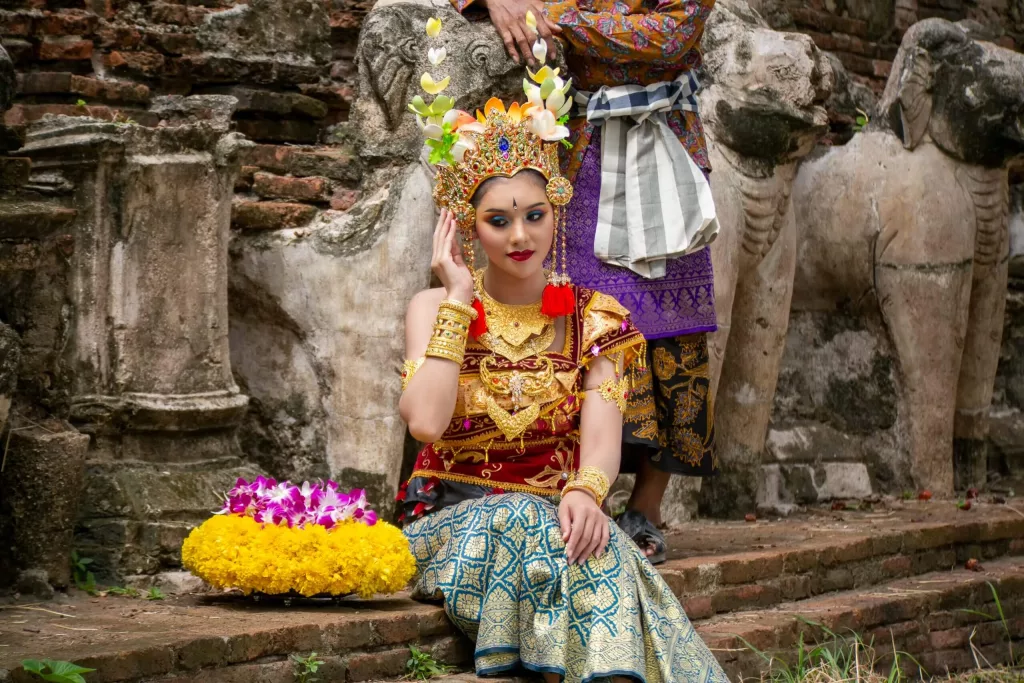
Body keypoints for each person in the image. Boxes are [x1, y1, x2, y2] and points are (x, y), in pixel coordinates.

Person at [397, 40, 729, 677]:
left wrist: (588, 488)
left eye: (533, 216)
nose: (519, 236)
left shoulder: (595, 314)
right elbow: (426, 426)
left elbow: (601, 439)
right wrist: (461, 300)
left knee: (596, 544)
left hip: (555, 522)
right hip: (449, 524)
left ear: (557, 215)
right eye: (497, 221)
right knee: (531, 520)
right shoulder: (432, 307)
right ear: (468, 229)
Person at [448, 0, 719, 565]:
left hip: (664, 156)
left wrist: (561, 18)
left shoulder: (569, 10)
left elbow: (671, 35)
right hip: (583, 159)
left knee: (673, 329)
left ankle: (646, 507)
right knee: (585, 325)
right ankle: (580, 496)